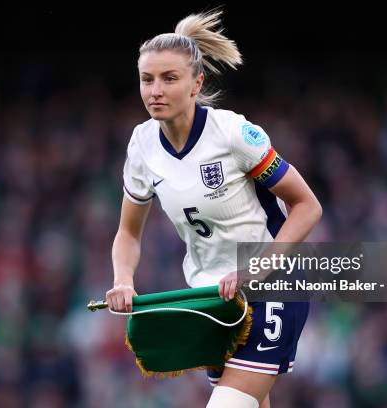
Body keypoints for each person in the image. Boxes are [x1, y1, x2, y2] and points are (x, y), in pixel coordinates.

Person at [106, 9, 322, 408]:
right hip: (214, 300)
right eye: (147, 79)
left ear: (196, 83)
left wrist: (256, 271)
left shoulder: (233, 133)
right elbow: (128, 233)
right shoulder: (141, 145)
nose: (155, 90)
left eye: (169, 78)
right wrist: (124, 280)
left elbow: (307, 206)